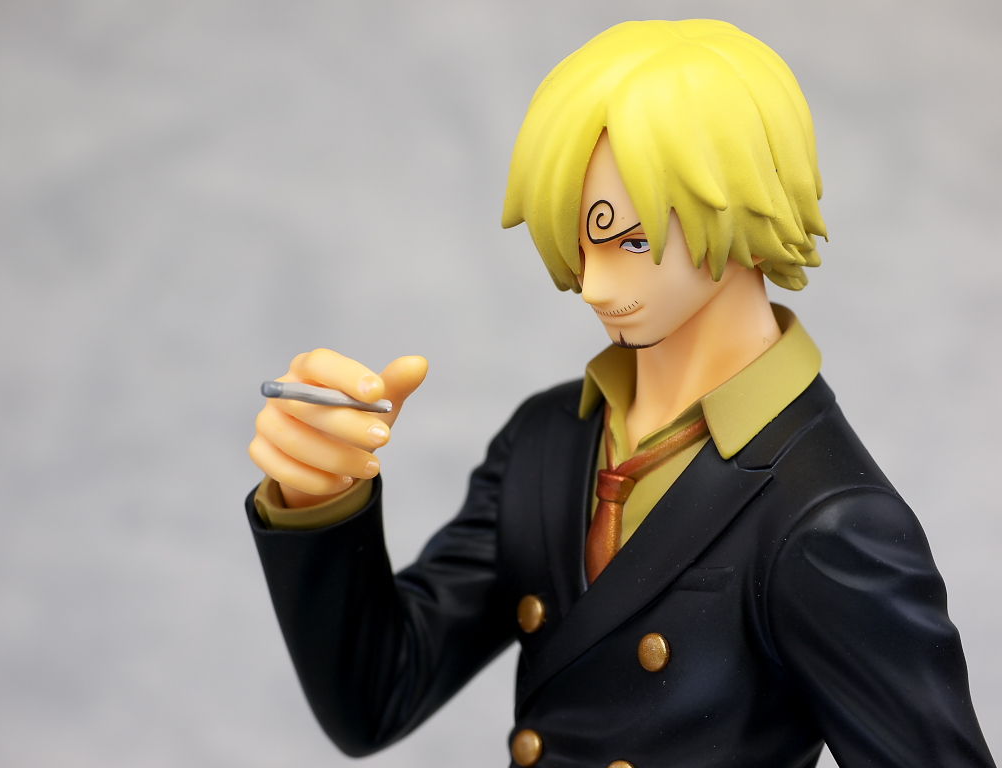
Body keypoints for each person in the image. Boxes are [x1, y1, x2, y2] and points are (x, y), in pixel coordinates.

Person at [246, 20, 996, 767]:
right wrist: (320, 501)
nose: (595, 286)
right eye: (582, 241)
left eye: (633, 241)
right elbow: (376, 697)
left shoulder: (828, 518)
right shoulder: (547, 440)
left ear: (741, 204)